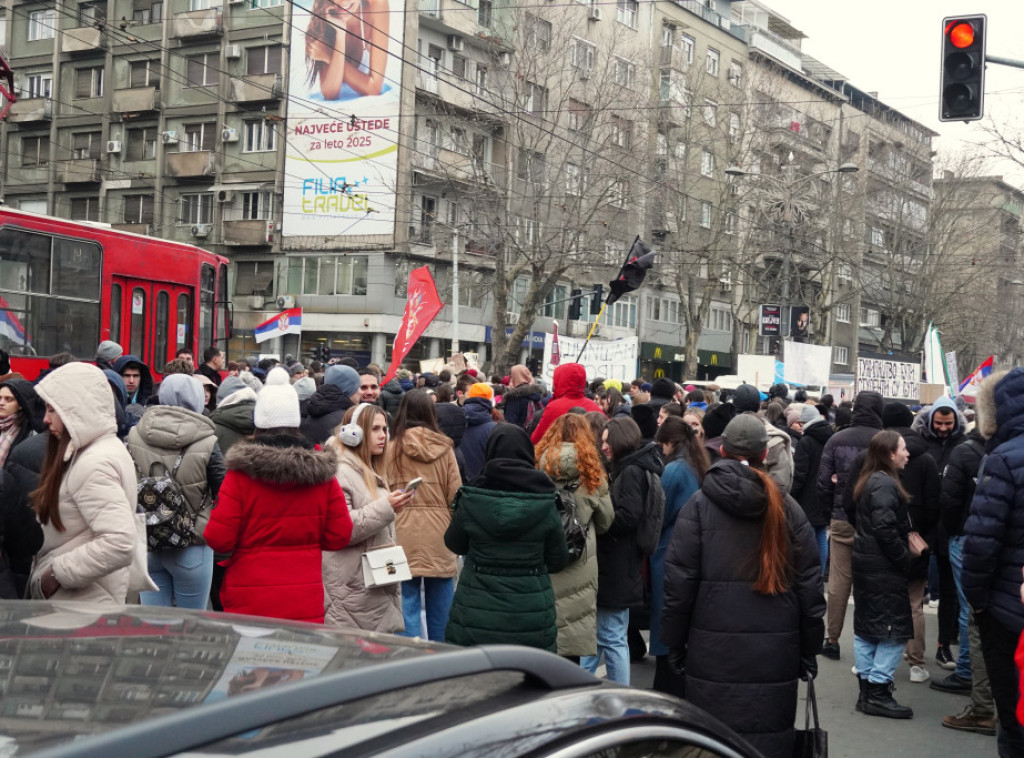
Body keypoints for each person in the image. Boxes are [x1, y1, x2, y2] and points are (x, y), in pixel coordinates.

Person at [662, 413, 825, 756]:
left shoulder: (699, 507)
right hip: (776, 653)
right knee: (767, 741)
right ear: (764, 455)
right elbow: (810, 588)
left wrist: (674, 644)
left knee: (713, 742)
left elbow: (679, 585)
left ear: (722, 449)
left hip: (711, 651)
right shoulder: (788, 510)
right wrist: (809, 648)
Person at [204, 384, 353, 623]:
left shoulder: (240, 475)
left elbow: (219, 538)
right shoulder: (322, 475)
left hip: (250, 597)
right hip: (304, 599)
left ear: (258, 423)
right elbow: (340, 535)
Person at [445, 424, 568, 650]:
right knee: (530, 680)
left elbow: (454, 543)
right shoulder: (545, 500)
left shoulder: (472, 496)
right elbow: (558, 560)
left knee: (477, 679)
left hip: (476, 609)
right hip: (530, 611)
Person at [29, 363, 139, 604]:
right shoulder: (102, 449)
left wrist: (55, 575)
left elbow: (120, 541)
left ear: (75, 410)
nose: (46, 419)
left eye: (52, 410)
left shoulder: (93, 463)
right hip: (89, 598)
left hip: (81, 603)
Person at [963, 369, 1024, 754]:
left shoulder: (1002, 459)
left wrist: (979, 601)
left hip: (1007, 608)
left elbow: (982, 542)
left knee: (1014, 715)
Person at [127, 375, 225, 609]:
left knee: (154, 625)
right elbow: (224, 489)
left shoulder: (133, 435)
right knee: (190, 627)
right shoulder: (208, 441)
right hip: (193, 544)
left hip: (148, 540)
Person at [581, 417, 664, 685]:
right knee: (604, 635)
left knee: (611, 636)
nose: (603, 446)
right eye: (602, 440)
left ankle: (618, 694)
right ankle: (582, 687)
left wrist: (599, 519)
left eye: (607, 441)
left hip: (617, 564)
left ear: (620, 440)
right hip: (621, 563)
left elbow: (629, 516)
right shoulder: (633, 466)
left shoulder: (630, 471)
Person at [324, 402, 414, 632]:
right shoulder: (340, 470)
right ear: (354, 433)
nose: (383, 435)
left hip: (367, 585)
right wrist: (386, 507)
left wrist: (392, 506)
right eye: (375, 429)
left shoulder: (366, 468)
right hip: (351, 589)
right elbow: (341, 528)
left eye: (384, 429)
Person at [535, 414, 615, 662]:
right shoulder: (591, 473)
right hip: (580, 558)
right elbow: (605, 522)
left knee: (545, 626)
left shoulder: (540, 467)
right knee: (573, 631)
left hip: (545, 553)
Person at [383, 389, 461, 641]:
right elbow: (455, 494)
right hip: (440, 534)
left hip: (400, 532)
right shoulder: (445, 447)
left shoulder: (390, 447)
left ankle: (410, 657)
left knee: (405, 601)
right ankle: (441, 658)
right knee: (442, 603)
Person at [851, 429, 915, 719]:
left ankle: (868, 692)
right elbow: (885, 528)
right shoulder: (885, 484)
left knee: (868, 630)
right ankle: (876, 690)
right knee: (893, 632)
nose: (907, 453)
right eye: (903, 449)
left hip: (867, 564)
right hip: (883, 568)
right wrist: (904, 559)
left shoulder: (870, 481)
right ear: (890, 453)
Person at [817, 389, 884, 660]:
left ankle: (832, 638)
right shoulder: (886, 441)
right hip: (878, 521)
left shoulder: (836, 439)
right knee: (875, 583)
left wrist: (829, 510)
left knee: (838, 582)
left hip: (842, 517)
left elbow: (822, 482)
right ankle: (874, 640)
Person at [936, 423, 995, 730]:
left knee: (971, 609)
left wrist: (952, 530)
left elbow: (950, 499)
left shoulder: (971, 453)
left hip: (968, 538)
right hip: (986, 543)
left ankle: (967, 674)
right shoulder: (994, 452)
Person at [650, 416, 708, 695]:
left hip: (668, 553)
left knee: (666, 623)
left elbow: (658, 514)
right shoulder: (698, 464)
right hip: (690, 551)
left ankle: (668, 689)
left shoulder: (674, 471)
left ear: (669, 442)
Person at [913, 396, 968, 672]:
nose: (944, 428)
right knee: (913, 588)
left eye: (948, 423)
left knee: (949, 591)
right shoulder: (922, 443)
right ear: (931, 420)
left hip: (948, 526)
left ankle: (943, 645)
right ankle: (908, 645)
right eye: (939, 423)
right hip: (923, 525)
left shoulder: (963, 446)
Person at [305, 0, 391, 99]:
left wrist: (329, 55)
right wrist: (340, 34)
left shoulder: (377, 5)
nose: (344, 3)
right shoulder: (325, 10)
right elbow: (330, 93)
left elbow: (374, 88)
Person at [790, 404, 833, 573]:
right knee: (821, 534)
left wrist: (792, 494)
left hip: (806, 495)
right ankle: (821, 571)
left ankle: (806, 572)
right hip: (825, 493)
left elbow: (800, 473)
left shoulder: (806, 441)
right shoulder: (831, 437)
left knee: (805, 536)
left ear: (805, 423)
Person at [732, 384, 794, 494]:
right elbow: (781, 486)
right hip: (764, 504)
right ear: (758, 406)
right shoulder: (775, 439)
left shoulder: (722, 433)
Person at [530, 364, 602, 444]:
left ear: (559, 380)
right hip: (591, 455)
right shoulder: (594, 407)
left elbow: (536, 440)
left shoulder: (554, 407)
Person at [300, 364, 360, 445]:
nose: (360, 392)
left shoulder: (308, 410)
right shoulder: (347, 419)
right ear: (348, 390)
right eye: (357, 387)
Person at [455, 382, 497, 483]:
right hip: (485, 486)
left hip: (460, 485)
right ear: (490, 400)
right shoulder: (495, 428)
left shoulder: (455, 421)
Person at [0, 379, 42, 468]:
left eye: (8, 399)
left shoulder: (30, 433)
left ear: (20, 404)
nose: (1, 403)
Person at [502, 364, 545, 431]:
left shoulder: (513, 398)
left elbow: (509, 426)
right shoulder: (539, 395)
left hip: (519, 437)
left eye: (511, 376)